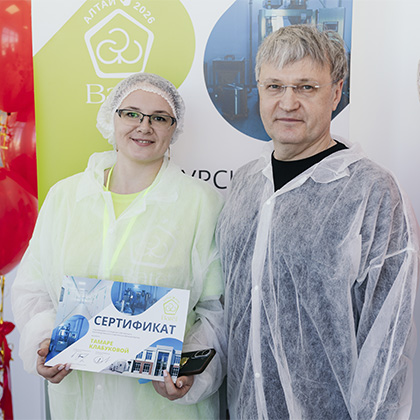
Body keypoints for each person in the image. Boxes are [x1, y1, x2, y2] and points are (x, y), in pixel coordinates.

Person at [216, 25, 419, 419]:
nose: (287, 102)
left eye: (306, 87)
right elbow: (230, 312)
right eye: (274, 86)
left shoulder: (371, 191)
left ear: (336, 93)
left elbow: (387, 341)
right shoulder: (244, 184)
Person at [12, 72, 226, 419]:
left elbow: (217, 310)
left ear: (174, 129)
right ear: (112, 117)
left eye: (159, 118)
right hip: (79, 403)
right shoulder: (66, 197)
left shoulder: (201, 204)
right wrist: (45, 341)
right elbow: (32, 289)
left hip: (163, 409)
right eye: (131, 114)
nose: (144, 126)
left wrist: (189, 371)